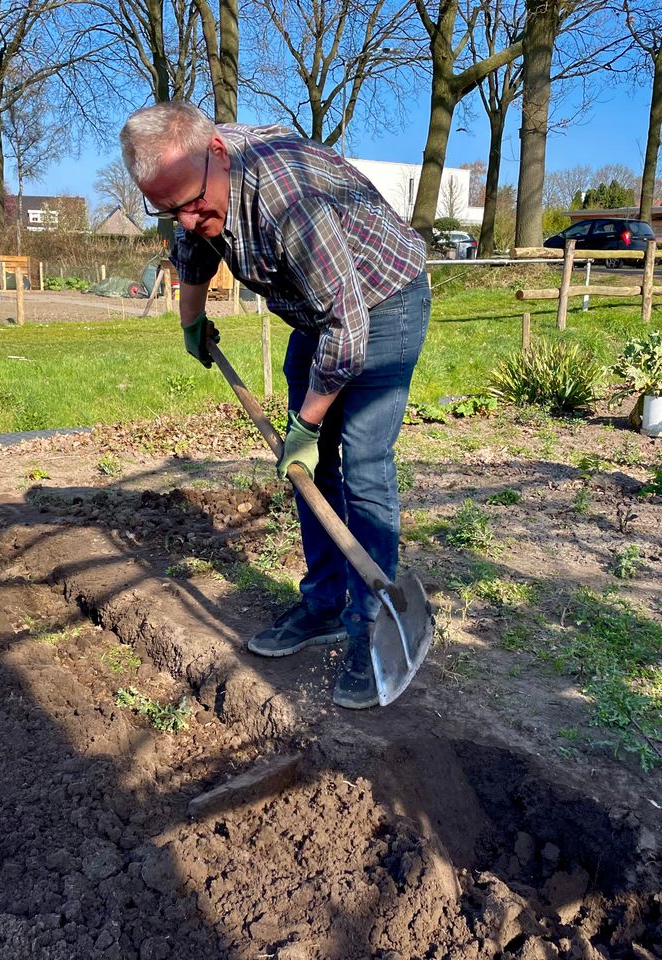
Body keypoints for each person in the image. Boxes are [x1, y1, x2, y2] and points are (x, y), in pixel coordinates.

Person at [120, 102, 429, 710]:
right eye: (167, 209)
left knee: (362, 463)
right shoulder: (195, 186)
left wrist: (306, 423)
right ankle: (321, 603)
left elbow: (348, 325)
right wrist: (193, 318)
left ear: (216, 154)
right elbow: (195, 242)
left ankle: (369, 626)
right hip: (317, 310)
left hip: (382, 301)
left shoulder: (289, 199)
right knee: (307, 472)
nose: (186, 217)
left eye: (191, 200)